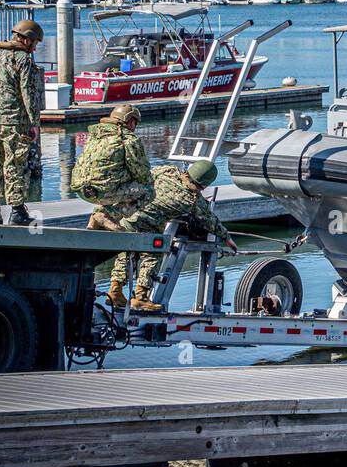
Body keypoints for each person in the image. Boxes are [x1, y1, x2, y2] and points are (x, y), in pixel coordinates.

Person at [117, 159, 238, 312]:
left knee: (125, 255)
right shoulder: (192, 200)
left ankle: (115, 291)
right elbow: (210, 221)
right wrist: (227, 238)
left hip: (126, 217)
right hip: (148, 226)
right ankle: (140, 297)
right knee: (153, 255)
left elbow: (147, 175)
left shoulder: (169, 171)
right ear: (204, 185)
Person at [71, 103, 154, 308]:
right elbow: (142, 173)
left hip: (82, 189)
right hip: (104, 190)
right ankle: (107, 215)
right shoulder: (129, 139)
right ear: (129, 121)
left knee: (117, 178)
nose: (135, 127)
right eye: (134, 122)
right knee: (148, 190)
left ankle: (100, 215)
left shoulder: (94, 134)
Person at [0, 18, 45, 225]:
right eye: (35, 43)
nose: (35, 48)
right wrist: (34, 122)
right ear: (27, 40)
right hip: (13, 120)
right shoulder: (22, 60)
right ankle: (17, 211)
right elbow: (29, 93)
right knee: (15, 163)